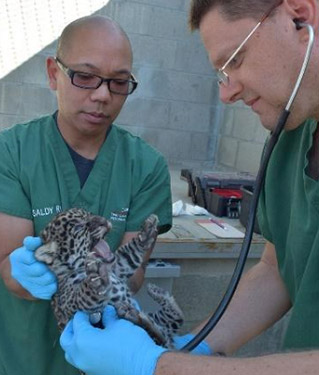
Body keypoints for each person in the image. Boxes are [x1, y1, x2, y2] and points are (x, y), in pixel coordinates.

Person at [59, 0, 319, 374]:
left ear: (300, 16)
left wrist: (163, 367)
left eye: (236, 60)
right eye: (221, 74)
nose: (226, 94)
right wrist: (197, 344)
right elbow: (277, 270)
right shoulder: (288, 141)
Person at [0, 15, 173, 375]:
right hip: (25, 359)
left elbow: (134, 274)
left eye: (119, 82)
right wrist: (26, 272)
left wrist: (99, 277)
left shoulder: (146, 166)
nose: (102, 95)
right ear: (53, 74)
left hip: (106, 360)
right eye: (85, 76)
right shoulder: (12, 153)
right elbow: (9, 270)